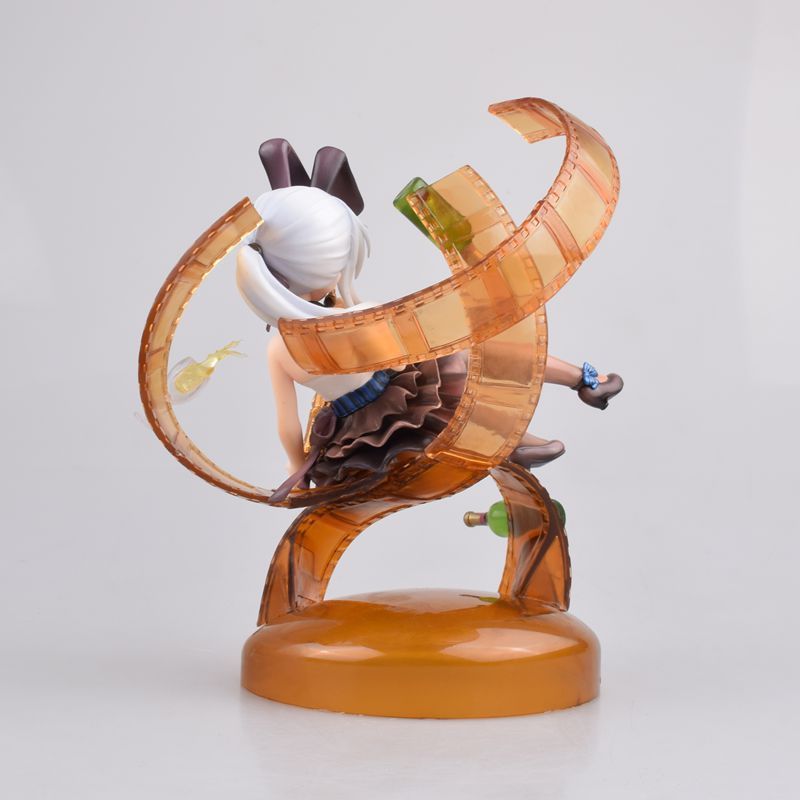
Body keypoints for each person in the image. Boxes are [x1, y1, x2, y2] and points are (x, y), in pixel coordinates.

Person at [236, 145, 623, 502]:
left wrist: (297, 468)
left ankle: (536, 426)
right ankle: (570, 393)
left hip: (364, 417)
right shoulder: (356, 315)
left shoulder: (280, 350)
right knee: (474, 370)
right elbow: (407, 347)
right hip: (394, 402)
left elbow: (287, 425)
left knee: (466, 377)